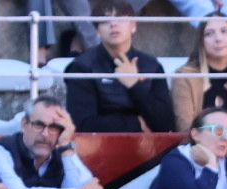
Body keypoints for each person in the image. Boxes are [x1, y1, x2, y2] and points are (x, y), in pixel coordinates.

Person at [66, 2, 177, 134]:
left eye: (120, 18)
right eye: (105, 20)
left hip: (148, 147)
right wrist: (136, 124)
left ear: (133, 26)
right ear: (97, 31)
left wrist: (135, 85)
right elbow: (82, 125)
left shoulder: (152, 66)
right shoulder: (82, 66)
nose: (113, 24)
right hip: (98, 148)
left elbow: (166, 124)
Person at [0, 94, 104, 189]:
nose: (45, 134)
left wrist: (65, 146)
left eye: (54, 127)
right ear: (24, 124)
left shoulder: (62, 155)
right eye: (38, 125)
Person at [172, 15, 227, 140]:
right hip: (197, 151)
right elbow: (185, 128)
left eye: (224, 31)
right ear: (201, 41)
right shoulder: (184, 77)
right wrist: (225, 132)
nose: (218, 38)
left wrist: (216, 132)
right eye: (209, 34)